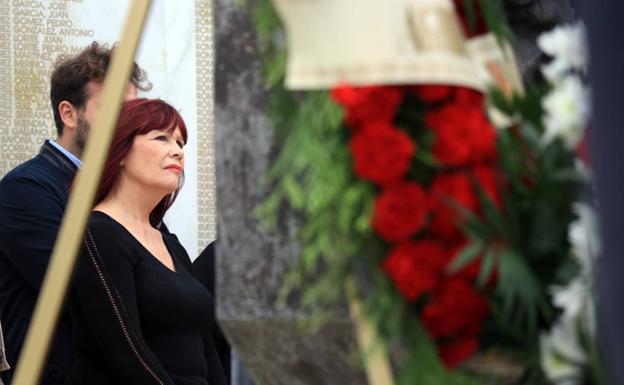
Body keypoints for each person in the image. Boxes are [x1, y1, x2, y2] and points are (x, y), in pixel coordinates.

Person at [0, 42, 148, 385]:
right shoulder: (23, 191)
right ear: (69, 114)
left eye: (133, 112)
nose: (128, 125)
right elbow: (85, 292)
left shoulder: (121, 189)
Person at [65, 98, 226, 385]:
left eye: (180, 142)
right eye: (161, 138)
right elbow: (126, 354)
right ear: (121, 150)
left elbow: (207, 349)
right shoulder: (97, 232)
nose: (177, 151)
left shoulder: (170, 243)